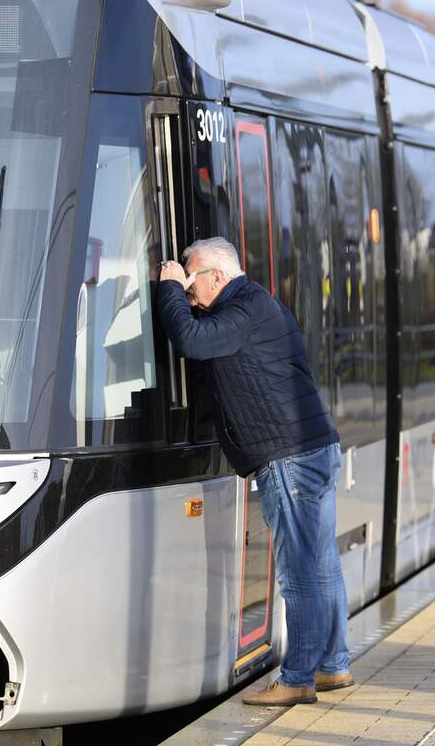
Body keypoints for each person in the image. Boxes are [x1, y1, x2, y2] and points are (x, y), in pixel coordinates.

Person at [157, 236, 352, 707]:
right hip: (311, 449)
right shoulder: (255, 305)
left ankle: (298, 677)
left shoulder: (245, 310)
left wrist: (165, 288)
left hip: (289, 457)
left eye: (192, 282)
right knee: (321, 562)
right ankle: (332, 666)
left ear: (218, 276)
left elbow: (190, 340)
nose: (188, 294)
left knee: (300, 570)